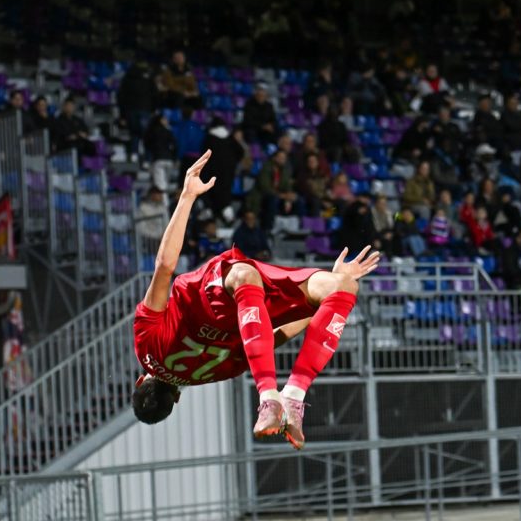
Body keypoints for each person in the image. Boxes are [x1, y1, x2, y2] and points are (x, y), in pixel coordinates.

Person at [132, 151, 381, 450]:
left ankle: (290, 397)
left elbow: (267, 338)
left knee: (341, 286)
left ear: (176, 397)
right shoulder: (146, 347)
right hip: (215, 296)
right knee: (257, 276)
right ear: (139, 381)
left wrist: (315, 306)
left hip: (250, 306)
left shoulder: (210, 374)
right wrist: (187, 197)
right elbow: (164, 267)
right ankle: (274, 396)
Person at [200, 118, 246, 215]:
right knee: (225, 191)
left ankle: (211, 212)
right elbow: (241, 152)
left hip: (212, 170)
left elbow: (204, 154)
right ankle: (227, 213)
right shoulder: (229, 138)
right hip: (228, 171)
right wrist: (233, 161)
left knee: (213, 191)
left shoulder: (209, 138)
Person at [117, 59, 157, 159]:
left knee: (134, 132)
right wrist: (153, 109)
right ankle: (147, 157)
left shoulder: (128, 77)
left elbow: (121, 96)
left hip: (131, 109)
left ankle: (134, 153)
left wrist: (122, 114)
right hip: (144, 109)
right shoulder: (149, 77)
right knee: (146, 134)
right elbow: (154, 94)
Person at [143, 113, 178, 191]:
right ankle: (164, 198)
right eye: (164, 119)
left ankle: (163, 199)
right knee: (165, 184)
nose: (166, 121)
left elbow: (146, 145)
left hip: (158, 159)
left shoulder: (151, 131)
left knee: (160, 186)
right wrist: (175, 158)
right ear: (160, 120)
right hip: (168, 160)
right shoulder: (167, 131)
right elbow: (175, 145)